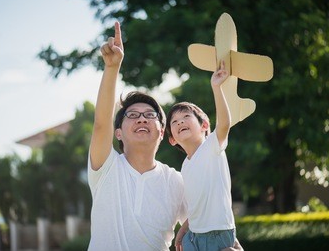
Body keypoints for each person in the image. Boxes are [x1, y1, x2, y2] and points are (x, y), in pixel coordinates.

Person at [88, 21, 243, 251]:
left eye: (150, 115)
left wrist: (235, 248)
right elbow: (101, 125)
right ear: (118, 132)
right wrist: (112, 68)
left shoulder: (176, 181)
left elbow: (206, 218)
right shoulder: (105, 168)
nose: (142, 119)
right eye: (132, 115)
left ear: (163, 133)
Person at [166, 60, 236, 251]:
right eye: (175, 122)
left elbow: (224, 124)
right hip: (193, 235)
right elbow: (198, 207)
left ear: (204, 125)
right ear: (172, 139)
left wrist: (217, 87)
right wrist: (184, 230)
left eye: (186, 117)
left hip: (216, 234)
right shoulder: (185, 166)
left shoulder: (212, 147)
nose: (180, 122)